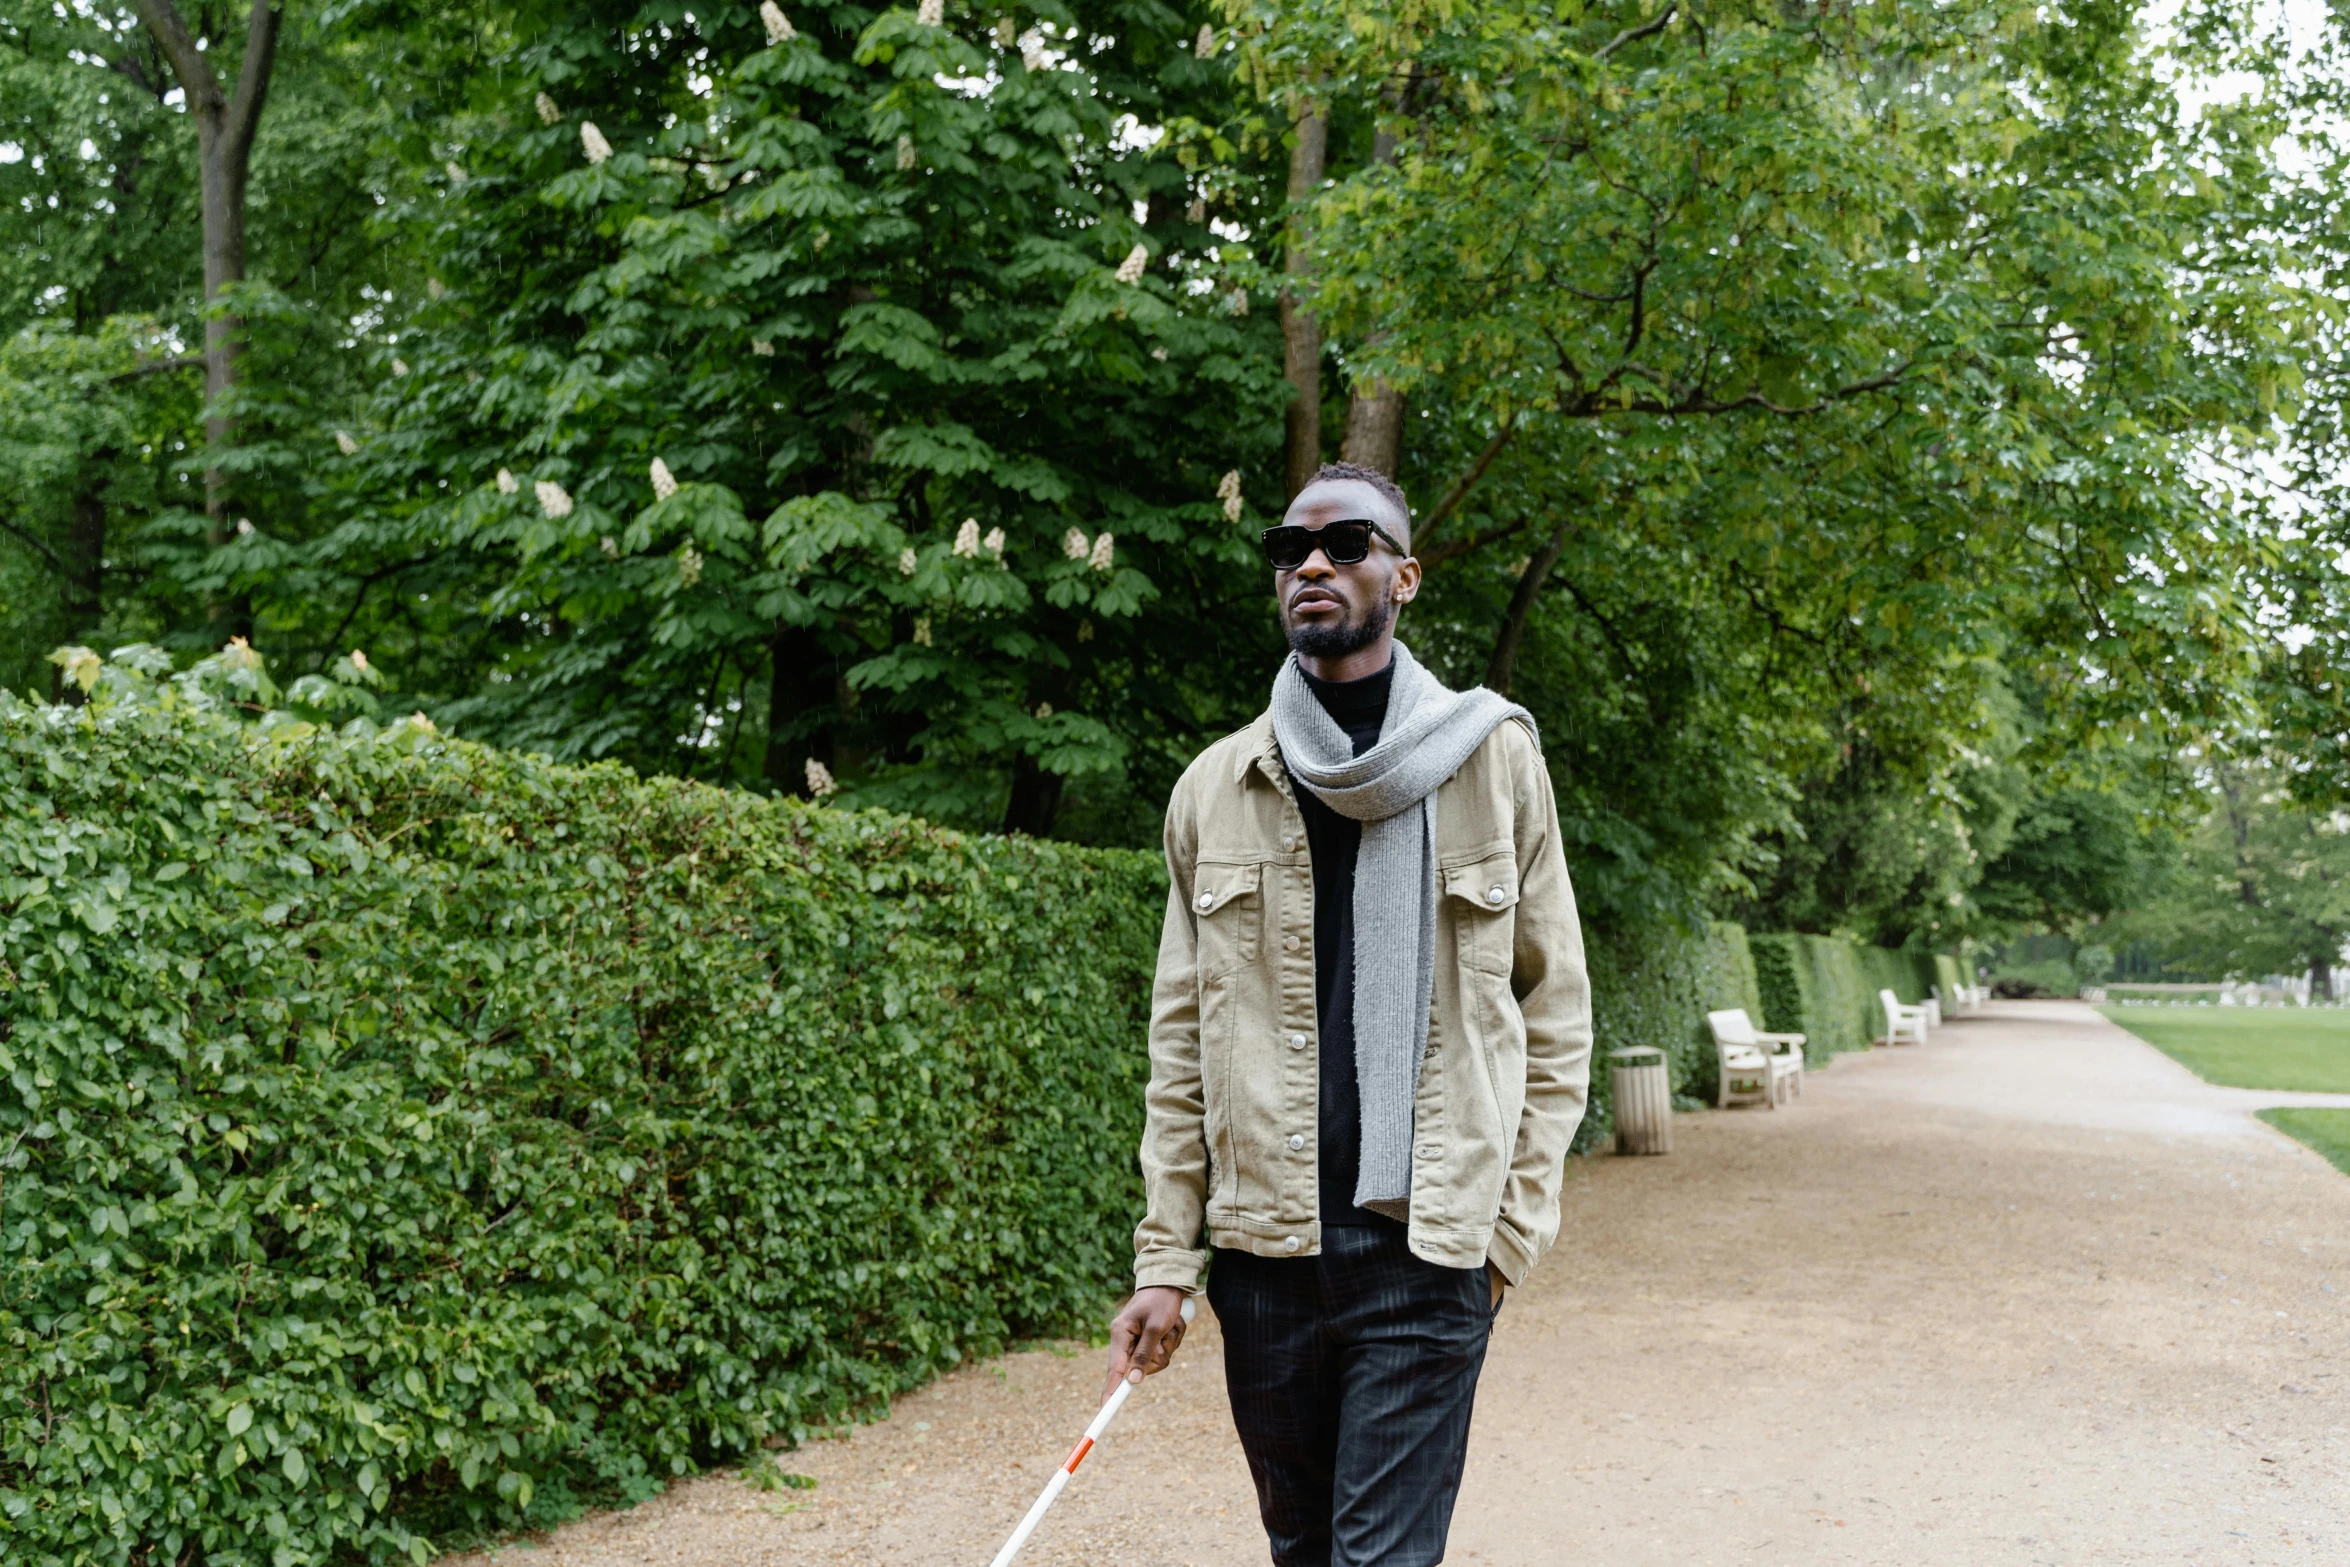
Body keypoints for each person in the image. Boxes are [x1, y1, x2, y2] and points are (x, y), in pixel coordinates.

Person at [1102, 461, 1593, 1566]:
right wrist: (1165, 1261)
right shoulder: (1213, 788)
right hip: (1264, 1257)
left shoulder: (1492, 757)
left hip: (1423, 1249)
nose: (1312, 563)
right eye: (1290, 549)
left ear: (1403, 575)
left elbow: (1553, 1004)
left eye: (1346, 544)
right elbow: (1179, 1043)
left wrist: (1508, 1231)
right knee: (1305, 1551)